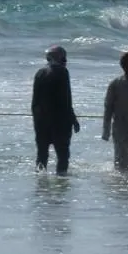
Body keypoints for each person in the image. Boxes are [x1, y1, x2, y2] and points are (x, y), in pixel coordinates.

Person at [32, 45, 80, 174]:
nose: (65, 62)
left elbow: (34, 102)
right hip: (60, 122)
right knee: (63, 155)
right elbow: (66, 100)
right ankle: (61, 182)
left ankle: (41, 183)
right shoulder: (62, 72)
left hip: (41, 121)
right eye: (64, 59)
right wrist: (73, 119)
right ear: (60, 58)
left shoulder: (39, 73)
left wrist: (37, 122)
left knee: (42, 155)